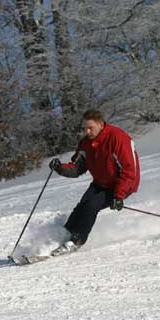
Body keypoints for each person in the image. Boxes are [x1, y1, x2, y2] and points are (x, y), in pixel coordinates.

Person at [48, 109, 140, 255]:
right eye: (85, 128)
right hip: (100, 183)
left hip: (120, 185)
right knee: (81, 207)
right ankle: (63, 236)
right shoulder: (85, 143)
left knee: (91, 206)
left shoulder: (118, 138)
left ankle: (76, 241)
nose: (87, 131)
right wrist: (60, 168)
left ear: (101, 124)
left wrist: (119, 195)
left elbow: (130, 170)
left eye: (91, 128)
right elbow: (77, 168)